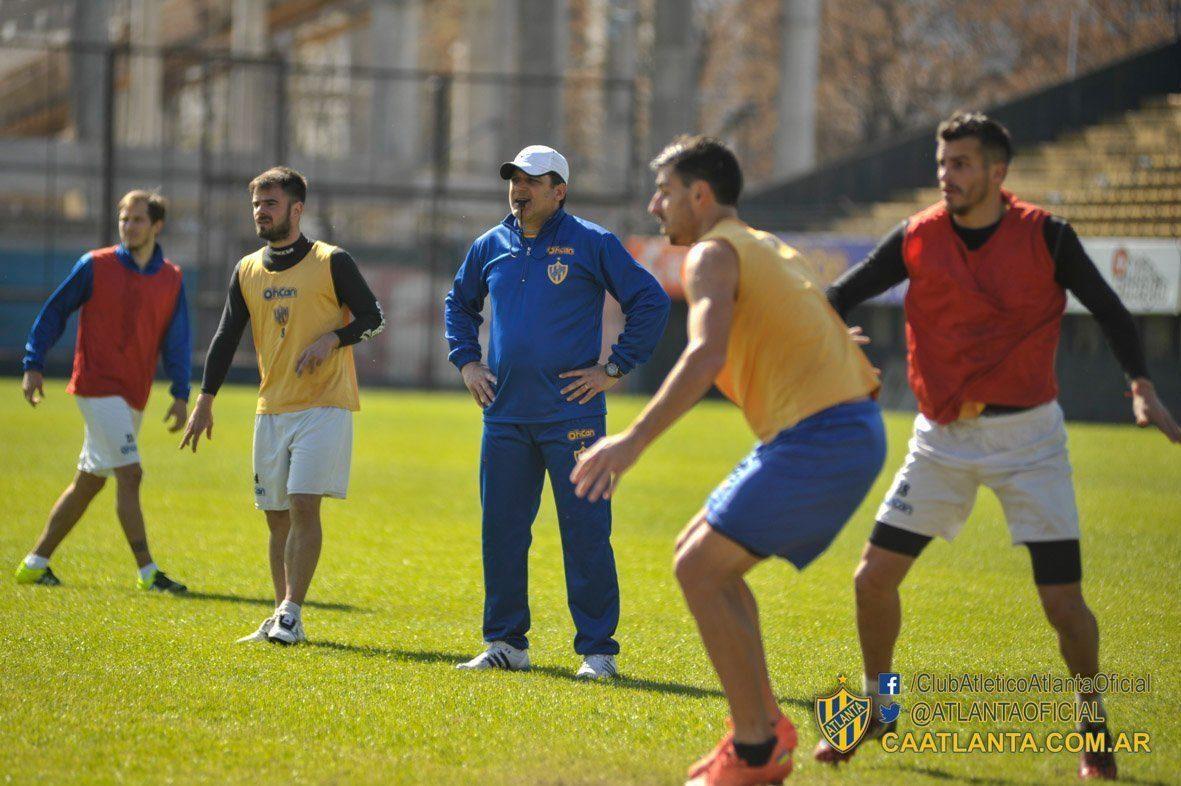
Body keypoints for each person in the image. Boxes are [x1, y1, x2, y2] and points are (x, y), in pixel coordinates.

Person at [814, 112, 1181, 780]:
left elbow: (1110, 311)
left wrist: (1141, 386)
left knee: (1062, 606)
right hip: (940, 439)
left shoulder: (1047, 235)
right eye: (941, 163)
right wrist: (833, 340)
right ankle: (879, 706)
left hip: (1029, 440)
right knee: (872, 580)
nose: (945, 175)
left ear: (996, 171)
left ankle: (1092, 722)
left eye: (960, 164)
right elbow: (838, 295)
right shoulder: (917, 236)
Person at [571, 136, 885, 785]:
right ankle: (762, 725)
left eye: (664, 192)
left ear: (699, 194)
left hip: (824, 435)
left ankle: (755, 749)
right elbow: (818, 318)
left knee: (699, 569)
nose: (655, 205)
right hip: (826, 429)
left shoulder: (712, 253)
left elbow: (704, 354)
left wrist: (630, 440)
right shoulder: (765, 245)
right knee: (701, 558)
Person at [444, 145, 670, 678]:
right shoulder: (490, 245)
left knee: (586, 532)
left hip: (573, 418)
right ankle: (506, 643)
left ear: (559, 190)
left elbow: (651, 301)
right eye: (514, 180)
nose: (518, 189)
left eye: (531, 181)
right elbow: (458, 303)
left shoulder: (592, 242)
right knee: (502, 532)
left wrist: (614, 368)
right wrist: (468, 363)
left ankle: (598, 653)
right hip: (504, 416)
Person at [180, 166, 385, 645]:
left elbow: (374, 318)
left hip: (324, 405)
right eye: (256, 204)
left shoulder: (332, 261)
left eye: (270, 204)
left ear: (297, 209)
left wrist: (333, 339)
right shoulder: (246, 269)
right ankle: (280, 616)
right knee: (275, 516)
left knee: (303, 505)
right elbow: (225, 337)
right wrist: (205, 400)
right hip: (271, 408)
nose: (260, 212)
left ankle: (291, 611)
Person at [15, 190, 191, 593]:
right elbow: (54, 312)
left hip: (134, 394)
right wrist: (33, 364)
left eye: (138, 219)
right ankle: (149, 573)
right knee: (131, 473)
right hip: (95, 387)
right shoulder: (94, 265)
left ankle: (35, 563)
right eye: (124, 219)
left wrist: (181, 394)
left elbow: (177, 340)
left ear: (157, 225)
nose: (129, 226)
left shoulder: (172, 278)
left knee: (90, 481)